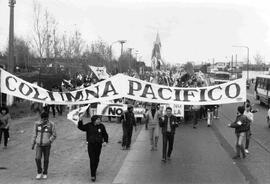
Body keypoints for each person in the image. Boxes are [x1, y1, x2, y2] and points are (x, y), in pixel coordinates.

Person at [77, 115, 108, 182]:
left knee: (97, 159)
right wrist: (80, 120)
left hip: (98, 145)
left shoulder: (101, 126)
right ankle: (93, 175)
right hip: (91, 145)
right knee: (92, 159)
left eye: (99, 119)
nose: (99, 120)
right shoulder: (89, 125)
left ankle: (94, 169)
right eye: (98, 119)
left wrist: (105, 141)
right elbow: (81, 127)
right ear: (94, 120)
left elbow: (105, 134)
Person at [31, 111, 56, 180]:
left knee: (46, 159)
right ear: (41, 118)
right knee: (37, 158)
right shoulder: (36, 124)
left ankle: (45, 173)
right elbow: (34, 134)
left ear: (47, 118)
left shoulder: (51, 124)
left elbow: (54, 134)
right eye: (42, 119)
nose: (44, 120)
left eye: (45, 119)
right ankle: (39, 172)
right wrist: (33, 143)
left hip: (47, 145)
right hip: (39, 145)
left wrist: (49, 141)